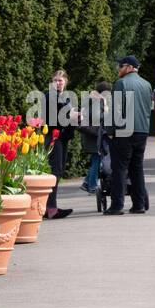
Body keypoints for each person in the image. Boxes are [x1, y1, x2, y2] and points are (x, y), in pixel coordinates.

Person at [105, 55, 152, 216]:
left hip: (124, 131)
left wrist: (110, 131)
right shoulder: (147, 85)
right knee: (137, 168)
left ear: (130, 67)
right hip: (142, 131)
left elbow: (116, 110)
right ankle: (139, 204)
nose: (118, 69)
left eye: (121, 66)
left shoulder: (121, 83)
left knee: (119, 169)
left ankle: (117, 206)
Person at [44, 69, 76, 219]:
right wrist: (72, 115)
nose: (57, 83)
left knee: (58, 171)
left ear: (66, 82)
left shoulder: (64, 97)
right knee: (54, 172)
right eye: (55, 80)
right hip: (53, 137)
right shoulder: (51, 96)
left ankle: (49, 206)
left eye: (60, 81)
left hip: (62, 138)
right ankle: (51, 208)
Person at [78, 81, 110, 195]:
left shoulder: (91, 99)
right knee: (97, 161)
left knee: (96, 161)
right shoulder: (97, 101)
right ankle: (92, 186)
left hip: (91, 136)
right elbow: (97, 116)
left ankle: (87, 183)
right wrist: (107, 112)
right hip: (95, 137)